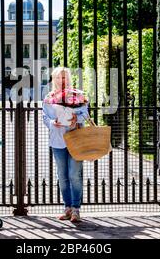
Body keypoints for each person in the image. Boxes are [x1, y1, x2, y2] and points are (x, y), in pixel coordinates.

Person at [42, 67, 89, 223]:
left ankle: (76, 209)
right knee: (62, 176)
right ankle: (67, 208)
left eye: (64, 77)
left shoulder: (78, 96)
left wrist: (78, 119)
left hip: (76, 138)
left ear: (69, 79)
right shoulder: (49, 97)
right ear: (53, 79)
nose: (62, 80)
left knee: (74, 175)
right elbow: (45, 117)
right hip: (57, 140)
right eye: (58, 77)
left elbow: (85, 114)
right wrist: (51, 122)